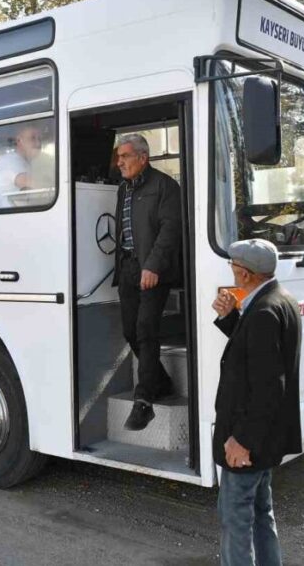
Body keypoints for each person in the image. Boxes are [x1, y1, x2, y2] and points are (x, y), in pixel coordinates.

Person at [211, 239, 301, 566]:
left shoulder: (263, 311)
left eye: (234, 268)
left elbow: (267, 387)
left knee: (236, 521)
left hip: (249, 443)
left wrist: (243, 441)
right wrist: (229, 318)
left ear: (246, 273)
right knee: (263, 515)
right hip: (267, 441)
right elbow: (256, 356)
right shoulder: (279, 299)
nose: (232, 274)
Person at [114, 133, 182, 431]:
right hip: (128, 267)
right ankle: (162, 382)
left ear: (143, 157)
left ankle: (144, 402)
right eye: (118, 158)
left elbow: (170, 231)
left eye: (125, 157)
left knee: (145, 329)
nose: (120, 163)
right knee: (130, 331)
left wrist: (152, 265)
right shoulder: (122, 189)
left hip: (153, 269)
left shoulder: (165, 186)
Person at [0, 123, 45, 209]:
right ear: (19, 140)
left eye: (40, 139)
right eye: (33, 138)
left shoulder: (26, 164)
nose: (38, 143)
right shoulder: (9, 160)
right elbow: (29, 183)